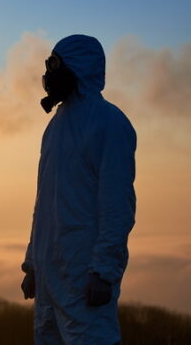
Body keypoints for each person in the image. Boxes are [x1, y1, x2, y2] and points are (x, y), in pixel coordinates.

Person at [21, 34, 136, 345]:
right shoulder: (55, 126)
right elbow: (43, 202)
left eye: (57, 65)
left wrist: (104, 271)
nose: (49, 75)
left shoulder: (108, 122)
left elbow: (117, 203)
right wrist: (33, 264)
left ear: (79, 68)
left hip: (84, 273)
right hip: (49, 275)